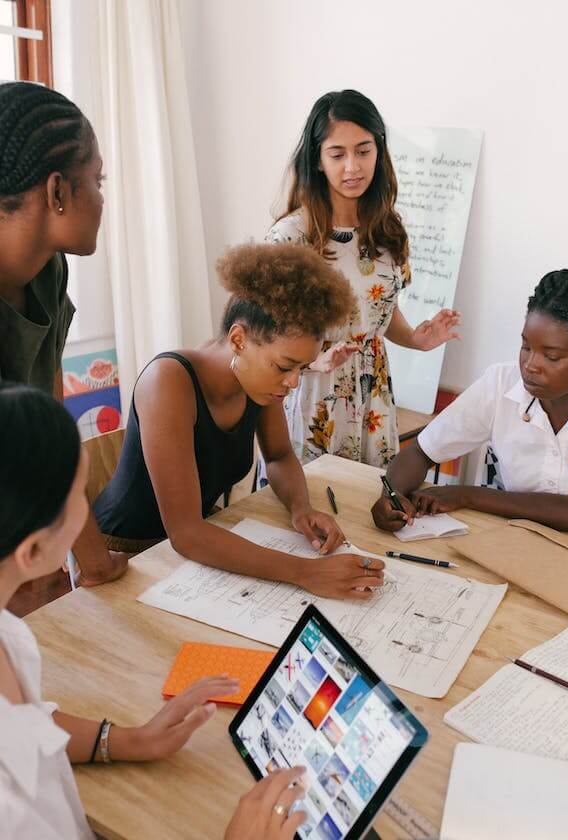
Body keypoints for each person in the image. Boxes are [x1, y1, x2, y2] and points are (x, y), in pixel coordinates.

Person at [0, 381, 307, 839]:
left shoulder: (10, 633)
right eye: (80, 500)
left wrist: (123, 740)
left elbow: (22, 727)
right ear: (33, 551)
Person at [94, 242, 386, 599]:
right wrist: (305, 571)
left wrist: (301, 509)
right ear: (239, 339)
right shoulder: (168, 382)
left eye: (301, 368)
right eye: (284, 366)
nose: (293, 382)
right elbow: (185, 533)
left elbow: (278, 456)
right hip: (127, 554)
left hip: (200, 539)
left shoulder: (260, 383)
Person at [266, 89, 460, 469]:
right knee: (312, 511)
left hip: (373, 393)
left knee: (367, 513)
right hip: (312, 393)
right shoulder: (290, 238)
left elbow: (381, 315)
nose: (352, 167)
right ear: (318, 161)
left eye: (363, 150)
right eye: (338, 154)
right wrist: (313, 362)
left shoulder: (388, 231)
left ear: (379, 151)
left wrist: (418, 339)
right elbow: (262, 338)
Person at [0, 80, 125, 589]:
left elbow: (50, 424)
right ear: (56, 192)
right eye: (96, 181)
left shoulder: (50, 271)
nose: (101, 198)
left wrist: (89, 560)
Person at [371, 268, 568, 534]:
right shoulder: (502, 383)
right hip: (516, 540)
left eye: (552, 357)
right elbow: (420, 452)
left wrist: (466, 496)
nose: (530, 365)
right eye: (526, 347)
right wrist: (393, 494)